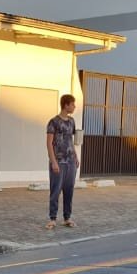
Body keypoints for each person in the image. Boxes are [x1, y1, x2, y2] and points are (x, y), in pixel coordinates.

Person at [46, 94, 80, 230]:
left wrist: (76, 156)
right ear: (66, 105)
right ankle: (52, 218)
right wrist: (53, 161)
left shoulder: (71, 121)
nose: (74, 106)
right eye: (72, 104)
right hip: (58, 162)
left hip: (70, 161)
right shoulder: (53, 122)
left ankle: (67, 217)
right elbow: (49, 143)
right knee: (55, 190)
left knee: (69, 190)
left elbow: (70, 141)